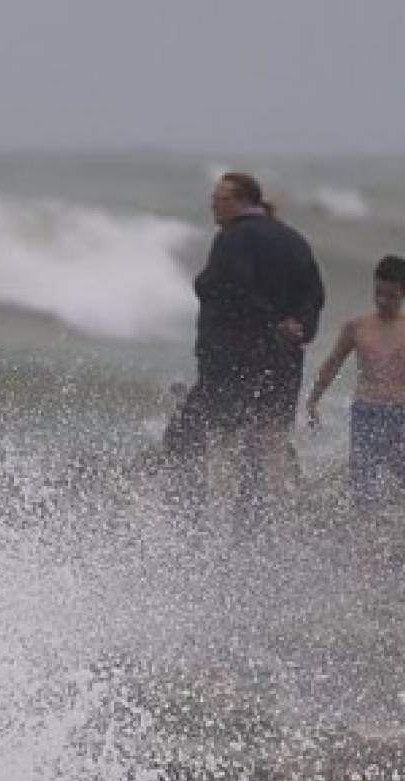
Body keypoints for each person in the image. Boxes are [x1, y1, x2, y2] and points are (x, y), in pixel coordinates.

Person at [164, 172, 324, 526]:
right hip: (283, 362)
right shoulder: (294, 240)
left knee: (207, 441)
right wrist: (300, 326)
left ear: (242, 201)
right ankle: (266, 529)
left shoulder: (232, 239)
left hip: (233, 360)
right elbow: (314, 294)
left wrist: (271, 322)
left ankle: (205, 527)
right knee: (270, 445)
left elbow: (234, 289)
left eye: (220, 198)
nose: (213, 205)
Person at [304, 256, 405, 507]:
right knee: (363, 482)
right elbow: (332, 363)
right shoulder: (357, 326)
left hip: (401, 411)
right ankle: (365, 534)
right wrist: (313, 400)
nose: (383, 301)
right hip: (366, 410)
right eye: (379, 293)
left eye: (391, 295)